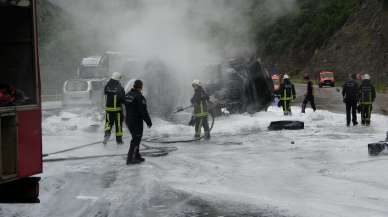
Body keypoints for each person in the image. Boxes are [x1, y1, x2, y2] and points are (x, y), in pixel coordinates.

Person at [125, 80, 152, 165]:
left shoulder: (128, 95)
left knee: (136, 138)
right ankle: (130, 159)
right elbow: (143, 111)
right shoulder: (139, 97)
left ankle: (136, 155)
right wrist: (148, 122)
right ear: (141, 87)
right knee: (136, 139)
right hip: (136, 121)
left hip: (128, 120)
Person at [103, 72, 125, 145]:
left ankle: (106, 135)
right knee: (118, 125)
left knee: (108, 124)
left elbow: (105, 95)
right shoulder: (120, 88)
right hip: (117, 111)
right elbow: (122, 99)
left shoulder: (106, 86)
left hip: (108, 110)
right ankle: (119, 141)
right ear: (118, 79)